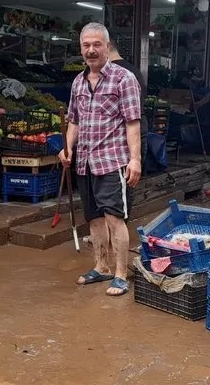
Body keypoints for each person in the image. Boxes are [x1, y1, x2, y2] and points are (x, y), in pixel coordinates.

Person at [59, 22, 142, 297]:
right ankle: (101, 266)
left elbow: (133, 123)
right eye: (86, 45)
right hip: (84, 162)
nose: (91, 50)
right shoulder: (78, 82)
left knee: (114, 218)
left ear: (107, 47)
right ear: (81, 49)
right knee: (94, 219)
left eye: (97, 45)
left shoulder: (123, 78)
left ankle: (120, 274)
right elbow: (74, 121)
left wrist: (135, 160)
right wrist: (67, 149)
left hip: (112, 161)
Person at [108, 39, 148, 160]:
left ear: (107, 47)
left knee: (125, 175)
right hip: (139, 126)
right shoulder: (134, 70)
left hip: (123, 132)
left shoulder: (115, 73)